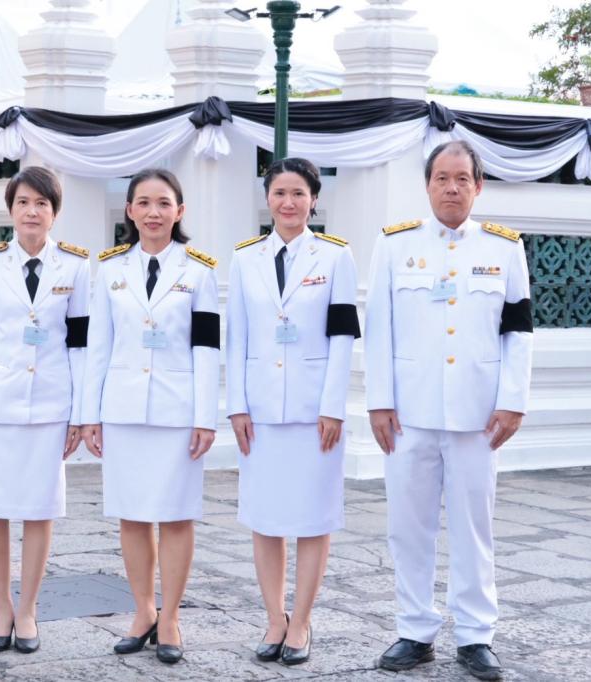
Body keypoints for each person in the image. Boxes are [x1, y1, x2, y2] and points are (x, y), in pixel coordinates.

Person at [364, 140, 533, 681]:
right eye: (442, 177)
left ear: (478, 186)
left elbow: (519, 333)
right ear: (428, 184)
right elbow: (379, 330)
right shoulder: (395, 246)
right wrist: (379, 402)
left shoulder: (504, 249)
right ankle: (414, 630)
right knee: (407, 527)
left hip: (477, 415)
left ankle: (476, 636)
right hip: (408, 413)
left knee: (473, 527)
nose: (452, 187)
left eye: (462, 178)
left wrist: (513, 401)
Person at [80, 168, 219, 665]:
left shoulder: (200, 271)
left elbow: (207, 349)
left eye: (164, 203)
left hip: (178, 410)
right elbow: (98, 346)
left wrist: (207, 415)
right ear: (130, 211)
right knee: (133, 516)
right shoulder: (110, 268)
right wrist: (88, 415)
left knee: (177, 517)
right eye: (144, 202)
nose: (154, 212)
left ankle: (172, 617)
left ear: (179, 211)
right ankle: (142, 611)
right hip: (122, 408)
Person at [225, 157, 360, 666]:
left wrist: (333, 407)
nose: (289, 202)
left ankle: (301, 621)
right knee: (265, 518)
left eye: (299, 194)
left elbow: (343, 334)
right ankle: (273, 618)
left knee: (312, 518)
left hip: (312, 410)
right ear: (267, 198)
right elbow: (235, 335)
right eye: (280, 192)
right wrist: (236, 405)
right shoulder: (244, 259)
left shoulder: (335, 257)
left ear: (313, 200)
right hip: (259, 409)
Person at [0, 166, 90, 654]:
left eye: (43, 204)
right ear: (11, 209)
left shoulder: (75, 266)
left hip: (51, 405)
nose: (33, 212)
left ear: (55, 212)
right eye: (24, 202)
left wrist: (79, 413)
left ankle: (28, 609)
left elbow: (81, 345)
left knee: (38, 510)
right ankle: (1, 607)